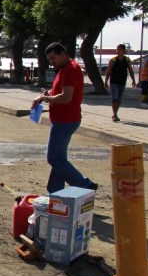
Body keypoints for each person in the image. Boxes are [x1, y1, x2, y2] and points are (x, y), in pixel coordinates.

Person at [31, 42, 98, 194]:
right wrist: (47, 94)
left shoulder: (70, 69)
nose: (52, 62)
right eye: (49, 59)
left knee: (54, 158)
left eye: (53, 58)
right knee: (59, 158)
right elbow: (61, 91)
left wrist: (46, 99)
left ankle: (85, 184)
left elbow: (66, 97)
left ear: (63, 54)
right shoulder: (65, 68)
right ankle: (55, 191)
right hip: (64, 119)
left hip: (65, 120)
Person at [103, 44, 135, 121]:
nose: (117, 51)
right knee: (115, 97)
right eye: (117, 49)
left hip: (122, 82)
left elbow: (131, 70)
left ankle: (115, 114)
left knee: (119, 99)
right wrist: (106, 82)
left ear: (124, 51)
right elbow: (108, 71)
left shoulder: (127, 60)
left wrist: (133, 80)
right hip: (114, 81)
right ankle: (114, 115)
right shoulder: (113, 60)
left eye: (119, 49)